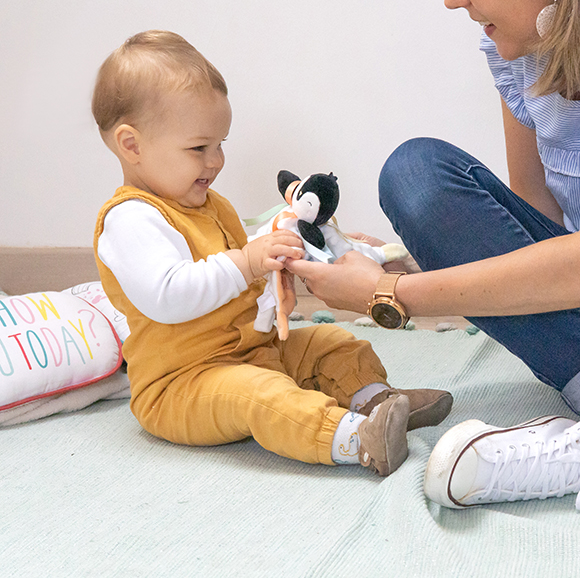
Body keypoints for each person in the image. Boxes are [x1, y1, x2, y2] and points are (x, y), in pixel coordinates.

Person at [287, 0, 580, 511]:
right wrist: (399, 271)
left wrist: (387, 296)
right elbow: (535, 228)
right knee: (416, 174)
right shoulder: (522, 47)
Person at [90, 30, 453, 478]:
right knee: (261, 395)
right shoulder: (129, 220)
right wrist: (246, 263)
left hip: (254, 348)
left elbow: (238, 269)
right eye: (199, 148)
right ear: (132, 145)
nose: (216, 160)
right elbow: (170, 295)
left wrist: (284, 252)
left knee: (332, 343)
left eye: (221, 143)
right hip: (184, 382)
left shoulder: (208, 204)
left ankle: (376, 401)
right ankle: (356, 438)